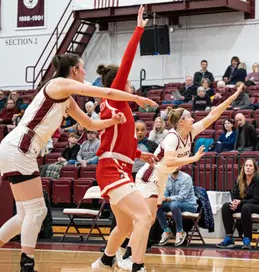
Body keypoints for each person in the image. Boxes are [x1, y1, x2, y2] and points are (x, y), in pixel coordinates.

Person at [0, 51, 153, 271]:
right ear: (73, 70)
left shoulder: (66, 98)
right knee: (36, 211)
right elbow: (106, 91)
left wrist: (112, 120)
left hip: (18, 149)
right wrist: (136, 98)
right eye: (82, 68)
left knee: (26, 214)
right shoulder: (59, 84)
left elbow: (90, 125)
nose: (85, 71)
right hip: (19, 147)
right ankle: (27, 264)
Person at [119, 86, 244, 269]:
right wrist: (193, 158)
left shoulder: (190, 132)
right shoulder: (172, 137)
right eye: (189, 116)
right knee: (146, 220)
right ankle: (132, 259)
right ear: (182, 122)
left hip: (161, 180)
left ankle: (127, 255)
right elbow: (168, 162)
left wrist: (231, 98)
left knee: (148, 220)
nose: (193, 118)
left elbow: (213, 115)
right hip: (149, 177)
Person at [91, 6, 159, 272]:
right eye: (127, 82)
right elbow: (128, 59)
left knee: (126, 224)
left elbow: (120, 144)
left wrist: (140, 154)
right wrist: (139, 27)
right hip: (111, 169)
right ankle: (137, 266)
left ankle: (105, 261)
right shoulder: (115, 96)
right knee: (144, 217)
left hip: (119, 166)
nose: (131, 85)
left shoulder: (123, 109)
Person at [216, 159, 259, 249]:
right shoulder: (239, 179)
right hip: (244, 205)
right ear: (243, 168)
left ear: (254, 169)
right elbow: (235, 195)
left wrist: (240, 202)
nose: (248, 167)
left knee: (246, 207)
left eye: (250, 166)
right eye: (246, 165)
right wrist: (235, 202)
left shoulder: (258, 181)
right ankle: (229, 237)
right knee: (225, 206)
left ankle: (247, 239)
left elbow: (256, 199)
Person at [156, 169, 198, 247]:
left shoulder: (186, 178)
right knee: (157, 205)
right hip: (174, 203)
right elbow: (165, 194)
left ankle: (180, 231)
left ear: (180, 166)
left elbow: (182, 197)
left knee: (173, 205)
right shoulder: (167, 177)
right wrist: (162, 197)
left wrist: (168, 199)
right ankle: (167, 231)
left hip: (189, 205)